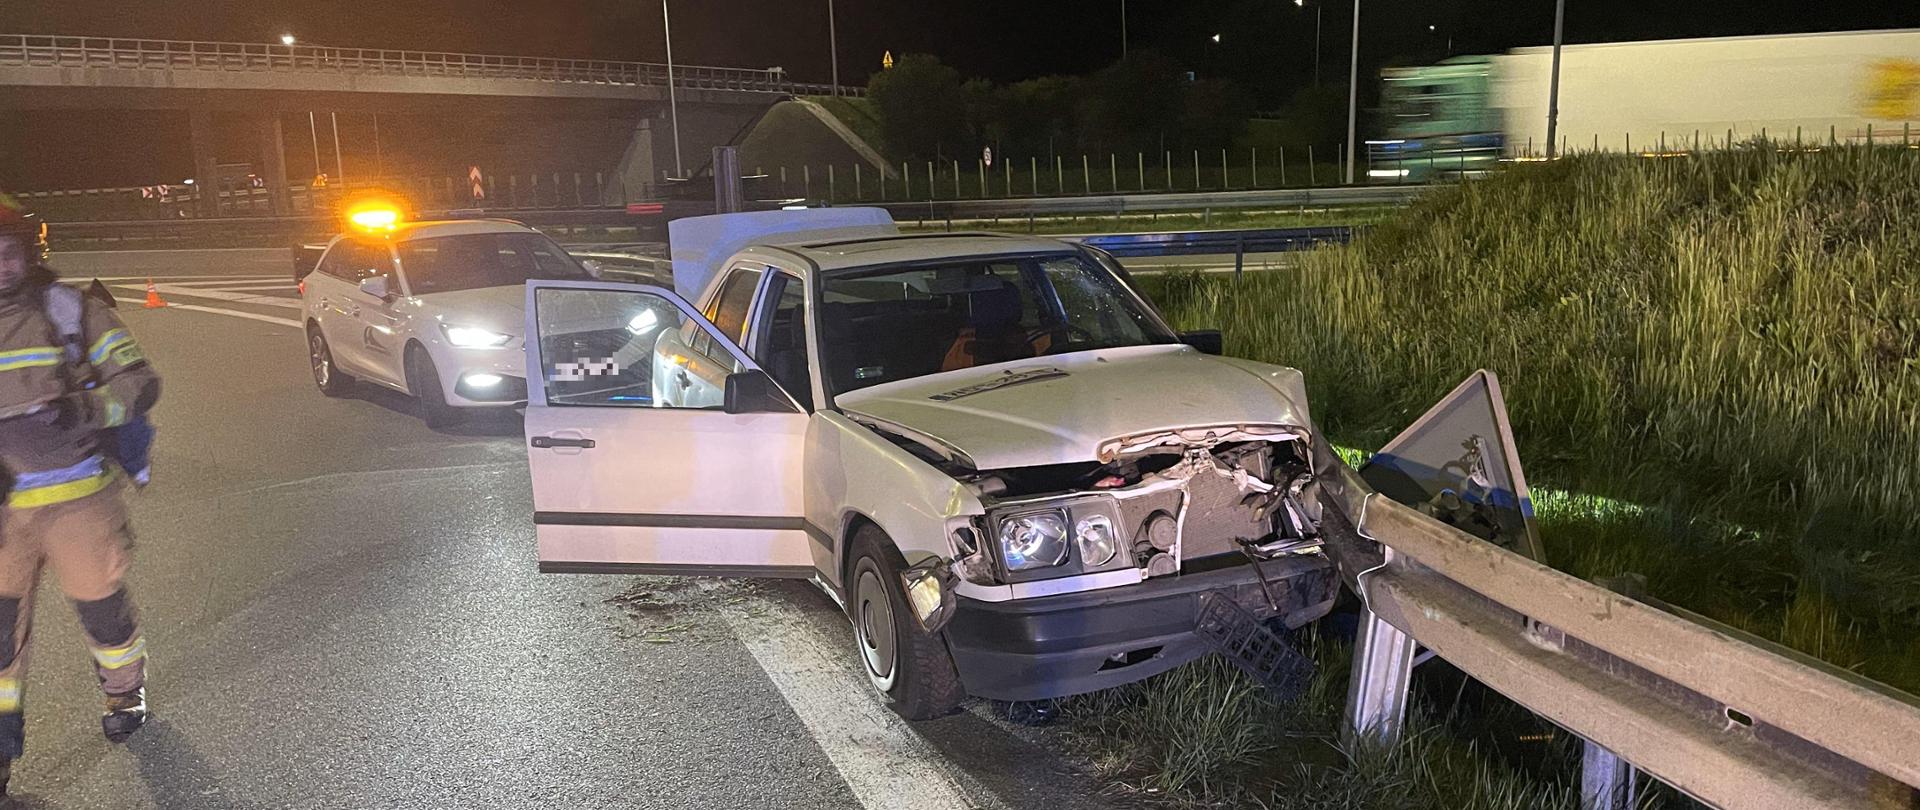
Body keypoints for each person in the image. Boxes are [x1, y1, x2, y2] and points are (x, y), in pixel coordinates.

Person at [0, 194, 161, 801]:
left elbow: (138, 383)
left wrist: (85, 410)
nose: (0, 264)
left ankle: (124, 694)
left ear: (29, 251)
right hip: (4, 511)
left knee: (103, 615)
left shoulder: (71, 311)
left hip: (79, 501)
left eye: (8, 251)